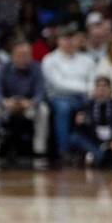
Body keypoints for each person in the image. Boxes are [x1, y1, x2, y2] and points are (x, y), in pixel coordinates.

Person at [41, 24, 96, 156]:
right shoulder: (49, 60)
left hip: (84, 97)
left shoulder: (87, 59)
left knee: (96, 104)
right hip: (58, 98)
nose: (69, 42)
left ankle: (94, 148)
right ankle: (64, 150)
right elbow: (58, 85)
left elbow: (93, 81)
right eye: (65, 39)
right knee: (63, 108)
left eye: (72, 39)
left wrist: (88, 90)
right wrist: (84, 88)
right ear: (58, 40)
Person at [0, 40, 49, 164]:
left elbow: (41, 92)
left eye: (27, 55)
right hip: (8, 105)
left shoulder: (36, 68)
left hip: (29, 105)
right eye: (20, 55)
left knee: (43, 110)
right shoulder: (4, 68)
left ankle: (39, 152)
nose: (24, 58)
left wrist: (31, 102)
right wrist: (5, 102)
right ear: (12, 56)